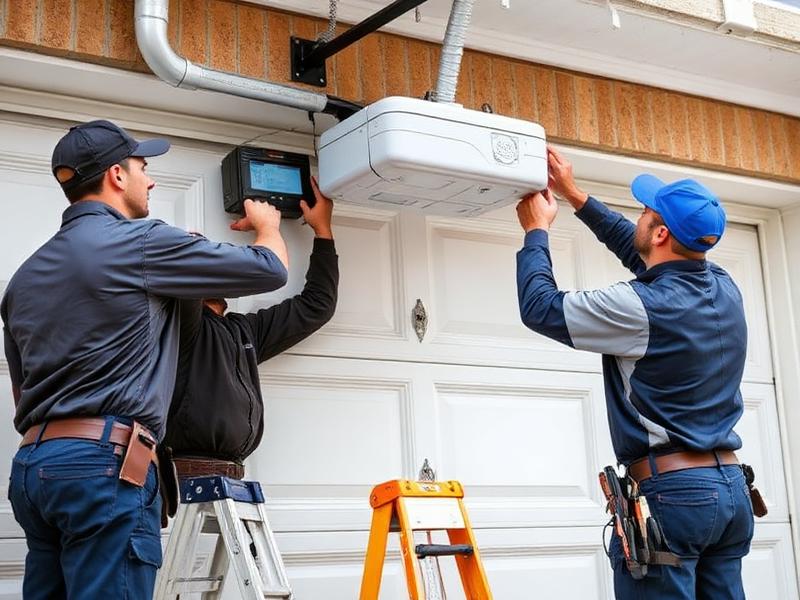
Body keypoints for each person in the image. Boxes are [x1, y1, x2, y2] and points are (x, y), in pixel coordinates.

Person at [1, 120, 290, 600]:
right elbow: (270, 269)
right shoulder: (142, 240)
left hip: (35, 467)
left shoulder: (24, 278)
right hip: (104, 466)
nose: (150, 179)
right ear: (116, 174)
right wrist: (269, 228)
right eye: (143, 166)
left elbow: (21, 388)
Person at [515, 146, 754, 599]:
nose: (640, 213)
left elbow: (541, 308)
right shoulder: (724, 286)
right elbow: (640, 249)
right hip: (730, 493)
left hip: (676, 495)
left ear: (662, 232)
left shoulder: (640, 306)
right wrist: (574, 194)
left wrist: (536, 231)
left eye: (647, 210)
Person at [162, 177, 338, 480]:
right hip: (185, 477)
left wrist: (322, 230)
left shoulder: (243, 332)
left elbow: (316, 306)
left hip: (229, 478)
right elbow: (189, 259)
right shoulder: (181, 325)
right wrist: (266, 230)